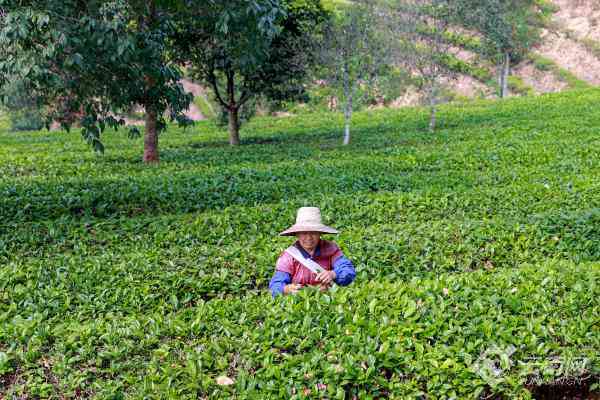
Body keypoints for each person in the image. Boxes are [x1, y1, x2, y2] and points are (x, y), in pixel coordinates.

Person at [269, 207, 356, 297]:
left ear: (320, 233)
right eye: (304, 233)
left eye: (313, 233)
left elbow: (348, 271)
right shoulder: (289, 257)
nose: (309, 238)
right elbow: (275, 286)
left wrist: (333, 274)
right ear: (297, 234)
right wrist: (286, 289)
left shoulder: (331, 249)